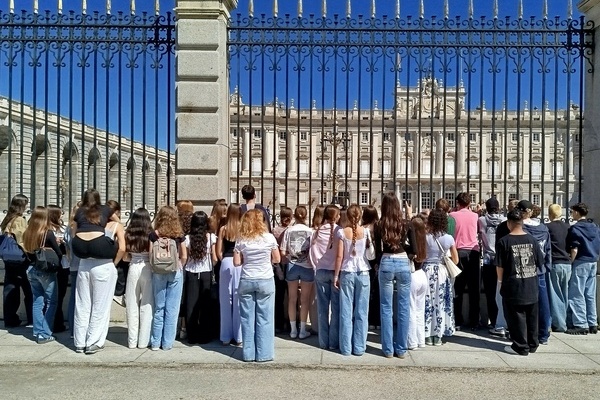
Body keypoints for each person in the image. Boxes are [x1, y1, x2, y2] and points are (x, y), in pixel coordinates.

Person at [73, 190, 122, 355]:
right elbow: (118, 221)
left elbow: (74, 231)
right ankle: (93, 342)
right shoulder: (105, 209)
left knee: (82, 303)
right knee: (100, 305)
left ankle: (79, 342)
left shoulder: (80, 212)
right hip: (101, 259)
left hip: (83, 258)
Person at [233, 209, 280, 362]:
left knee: (247, 318)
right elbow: (277, 259)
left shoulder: (241, 238)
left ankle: (248, 354)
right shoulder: (269, 237)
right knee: (265, 317)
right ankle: (264, 353)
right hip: (265, 278)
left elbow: (236, 262)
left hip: (247, 278)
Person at [496, 208, 543, 356]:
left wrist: (500, 281)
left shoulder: (504, 241)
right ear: (522, 222)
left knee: (515, 316)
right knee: (532, 316)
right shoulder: (532, 240)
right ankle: (533, 343)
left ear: (509, 223)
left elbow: (500, 266)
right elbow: (539, 262)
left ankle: (520, 346)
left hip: (513, 284)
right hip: (531, 283)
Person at [373, 194, 415, 358]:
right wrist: (405, 254)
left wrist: (379, 262)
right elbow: (414, 250)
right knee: (404, 307)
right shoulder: (406, 223)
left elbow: (378, 250)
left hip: (386, 261)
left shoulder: (379, 225)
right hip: (403, 261)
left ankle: (388, 349)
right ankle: (401, 348)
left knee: (386, 307)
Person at [334, 204, 371, 356]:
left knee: (346, 310)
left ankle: (346, 347)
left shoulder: (342, 232)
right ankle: (359, 347)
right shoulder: (366, 231)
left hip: (347, 271)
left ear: (347, 217)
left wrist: (336, 276)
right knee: (362, 311)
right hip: (363, 271)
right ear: (360, 215)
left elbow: (339, 256)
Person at [150, 206, 187, 350]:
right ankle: (167, 343)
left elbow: (151, 254)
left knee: (159, 307)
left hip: (158, 272)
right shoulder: (178, 234)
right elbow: (184, 255)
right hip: (175, 271)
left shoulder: (154, 234)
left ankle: (155, 342)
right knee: (172, 308)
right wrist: (179, 265)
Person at [23, 206, 62, 343]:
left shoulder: (28, 232)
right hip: (45, 271)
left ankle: (38, 331)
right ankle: (45, 333)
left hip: (31, 269)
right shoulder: (47, 233)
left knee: (37, 301)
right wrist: (57, 244)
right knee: (52, 301)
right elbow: (58, 253)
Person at [422, 208, 459, 345]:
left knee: (428, 301)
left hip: (427, 270)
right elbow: (456, 260)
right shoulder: (449, 238)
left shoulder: (425, 236)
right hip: (442, 271)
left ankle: (427, 334)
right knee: (441, 302)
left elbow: (421, 255)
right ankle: (438, 335)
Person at [519, 201, 552, 344]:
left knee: (524, 303)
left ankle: (527, 333)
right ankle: (543, 333)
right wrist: (547, 266)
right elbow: (548, 249)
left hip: (525, 268)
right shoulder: (543, 228)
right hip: (540, 268)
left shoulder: (521, 228)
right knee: (543, 302)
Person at [310, 205, 341, 350]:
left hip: (321, 270)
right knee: (335, 308)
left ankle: (323, 341)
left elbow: (312, 253)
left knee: (322, 308)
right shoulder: (339, 231)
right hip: (335, 271)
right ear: (336, 216)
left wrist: (316, 267)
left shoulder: (317, 231)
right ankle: (333, 342)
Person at [566, 203, 600, 335]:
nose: (571, 214)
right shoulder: (595, 227)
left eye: (572, 212)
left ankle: (580, 323)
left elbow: (574, 249)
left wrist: (571, 261)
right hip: (593, 260)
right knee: (590, 294)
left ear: (576, 212)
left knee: (576, 293)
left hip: (581, 261)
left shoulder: (575, 228)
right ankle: (592, 322)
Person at [184, 211, 217, 345]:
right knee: (205, 304)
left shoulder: (187, 238)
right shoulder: (211, 237)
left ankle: (192, 336)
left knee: (191, 305)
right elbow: (214, 258)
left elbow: (185, 257)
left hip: (191, 271)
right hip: (206, 272)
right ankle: (205, 335)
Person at [281, 206, 313, 340]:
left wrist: (290, 255)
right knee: (305, 300)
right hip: (307, 266)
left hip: (292, 265)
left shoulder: (289, 231)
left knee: (292, 299)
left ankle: (293, 330)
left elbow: (283, 251)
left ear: (294, 216)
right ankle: (303, 330)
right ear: (306, 216)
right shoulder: (310, 231)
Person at [450, 192, 481, 330]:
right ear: (469, 203)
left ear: (458, 203)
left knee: (458, 288)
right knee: (474, 288)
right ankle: (474, 321)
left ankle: (457, 320)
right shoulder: (475, 216)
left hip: (458, 251)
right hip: (473, 252)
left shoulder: (452, 215)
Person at [124, 208, 154, 349]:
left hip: (133, 266)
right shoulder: (151, 234)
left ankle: (132, 340)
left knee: (131, 303)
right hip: (147, 267)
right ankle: (143, 341)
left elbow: (125, 257)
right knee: (147, 304)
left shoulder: (129, 233)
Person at [1, 194, 32, 328]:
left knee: (10, 288)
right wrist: (30, 254)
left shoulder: (7, 219)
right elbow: (22, 240)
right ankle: (31, 317)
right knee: (28, 289)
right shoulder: (19, 220)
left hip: (8, 258)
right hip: (20, 259)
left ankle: (10, 319)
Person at [478, 197, 506, 337]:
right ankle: (503, 320)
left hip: (488, 258)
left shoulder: (482, 220)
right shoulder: (504, 220)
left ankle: (493, 321)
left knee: (490, 292)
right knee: (501, 292)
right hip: (501, 259)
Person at [216, 203, 243, 346]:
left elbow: (219, 251)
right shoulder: (243, 228)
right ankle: (239, 336)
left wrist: (224, 260)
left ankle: (225, 336)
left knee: (225, 300)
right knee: (239, 299)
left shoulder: (223, 229)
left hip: (226, 261)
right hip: (240, 263)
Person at [546, 204, 571, 333]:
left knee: (555, 294)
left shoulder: (548, 227)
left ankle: (559, 323)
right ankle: (565, 319)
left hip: (555, 261)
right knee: (565, 293)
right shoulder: (568, 226)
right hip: (567, 263)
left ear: (550, 213)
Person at [407, 215, 428, 350]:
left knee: (411, 310)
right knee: (420, 310)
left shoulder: (411, 242)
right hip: (422, 275)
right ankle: (421, 340)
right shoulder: (425, 240)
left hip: (413, 274)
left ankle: (412, 342)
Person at [47, 205, 68, 333]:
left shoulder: (59, 228)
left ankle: (54, 322)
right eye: (60, 213)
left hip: (55, 265)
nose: (62, 215)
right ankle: (56, 323)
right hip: (58, 265)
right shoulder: (50, 230)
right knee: (57, 295)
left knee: (56, 296)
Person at [272, 207, 292, 334]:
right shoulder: (292, 230)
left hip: (278, 264)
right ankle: (291, 323)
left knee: (278, 296)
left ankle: (278, 323)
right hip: (290, 263)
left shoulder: (275, 230)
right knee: (291, 296)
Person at [361, 205, 380, 330]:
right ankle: (376, 320)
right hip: (377, 261)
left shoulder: (362, 228)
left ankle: (368, 319)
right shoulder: (378, 227)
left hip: (365, 262)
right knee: (377, 292)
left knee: (366, 293)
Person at [64, 205, 81, 337]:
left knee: (73, 298)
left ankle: (72, 329)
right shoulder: (80, 228)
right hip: (82, 265)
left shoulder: (68, 229)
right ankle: (77, 329)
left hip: (72, 265)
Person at [308, 205, 325, 334]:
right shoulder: (330, 232)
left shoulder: (312, 232)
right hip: (327, 266)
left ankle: (315, 326)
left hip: (314, 267)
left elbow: (310, 252)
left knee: (313, 299)